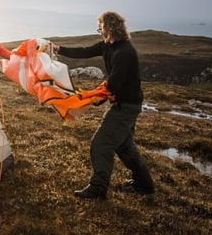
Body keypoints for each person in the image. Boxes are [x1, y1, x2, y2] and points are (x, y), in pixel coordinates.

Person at [53, 11, 154, 199]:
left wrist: (91, 99)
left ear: (109, 28)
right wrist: (58, 49)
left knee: (101, 144)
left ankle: (98, 188)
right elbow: (84, 52)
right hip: (124, 103)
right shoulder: (107, 45)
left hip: (126, 106)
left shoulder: (125, 52)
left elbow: (114, 83)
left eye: (100, 28)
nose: (98, 31)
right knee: (124, 146)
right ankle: (145, 184)